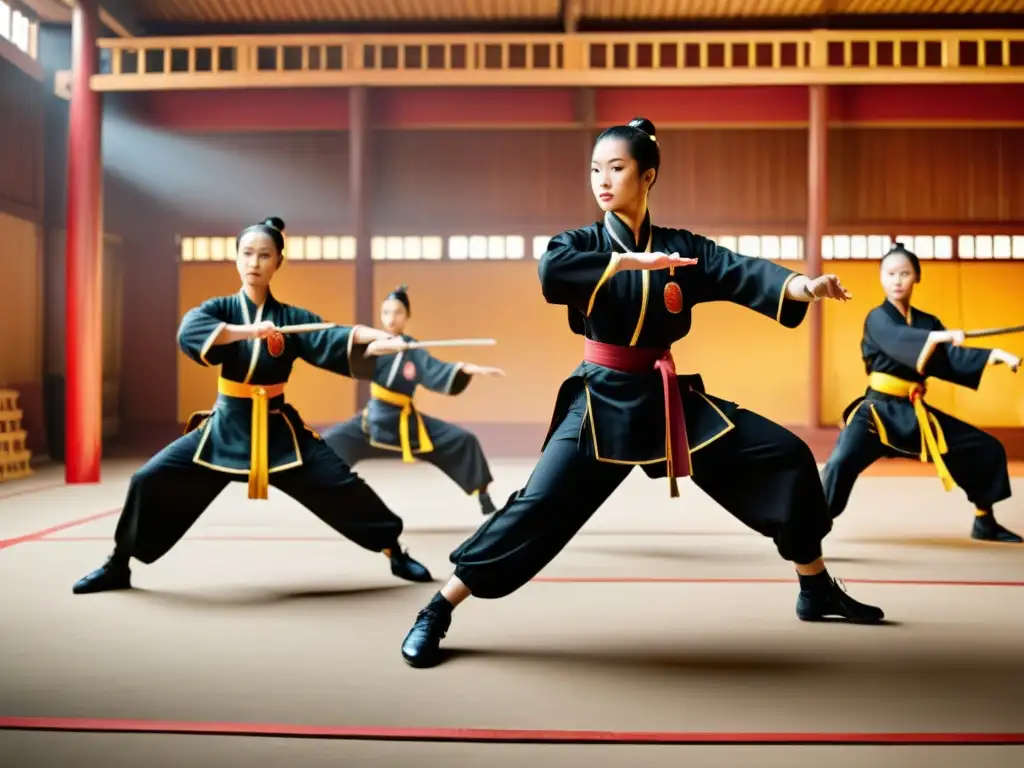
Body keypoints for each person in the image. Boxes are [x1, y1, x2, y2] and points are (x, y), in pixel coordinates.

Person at [399, 117, 886, 669]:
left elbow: (741, 271)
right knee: (537, 507)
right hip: (601, 401)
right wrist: (628, 261)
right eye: (594, 170)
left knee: (786, 455)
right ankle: (439, 608)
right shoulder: (578, 243)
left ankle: (814, 585)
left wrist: (802, 285)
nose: (602, 180)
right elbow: (551, 272)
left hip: (667, 400)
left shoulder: (681, 248)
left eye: (616, 168)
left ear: (647, 175)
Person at [73, 217, 434, 595]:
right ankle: (119, 563)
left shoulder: (291, 318)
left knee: (341, 485)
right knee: (148, 480)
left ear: (278, 261)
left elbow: (335, 335)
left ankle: (394, 551)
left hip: (279, 431)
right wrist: (249, 332)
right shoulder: (220, 309)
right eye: (247, 254)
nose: (254, 263)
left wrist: (379, 340)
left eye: (264, 255)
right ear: (236, 258)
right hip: (226, 427)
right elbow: (190, 330)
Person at [821, 242, 1021, 544]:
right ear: (881, 278)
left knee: (984, 447)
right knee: (839, 464)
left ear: (917, 277)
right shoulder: (878, 318)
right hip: (875, 413)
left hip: (913, 413)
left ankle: (985, 520)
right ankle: (808, 530)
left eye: (904, 273)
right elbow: (901, 341)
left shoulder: (927, 322)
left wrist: (997, 355)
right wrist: (938, 336)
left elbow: (950, 359)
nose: (897, 280)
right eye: (890, 273)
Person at [322, 285, 505, 516]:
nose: (391, 318)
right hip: (373, 421)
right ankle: (330, 496)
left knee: (463, 440)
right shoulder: (374, 344)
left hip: (406, 423)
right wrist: (376, 348)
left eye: (398, 312)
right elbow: (355, 356)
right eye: (386, 312)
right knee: (329, 444)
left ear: (407, 316)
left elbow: (437, 371)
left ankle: (483, 495)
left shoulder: (414, 351)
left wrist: (467, 368)